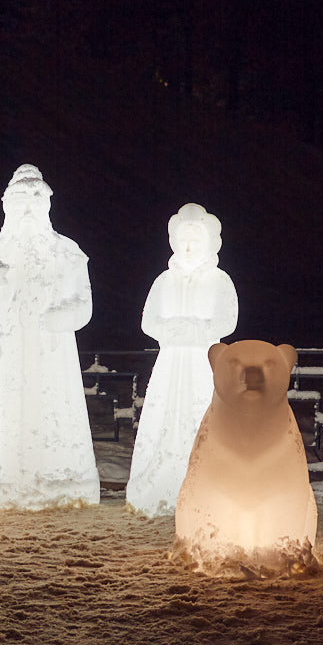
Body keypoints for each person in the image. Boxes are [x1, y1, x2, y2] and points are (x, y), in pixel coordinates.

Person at [0, 164, 99, 510]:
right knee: (4, 412)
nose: (26, 209)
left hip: (51, 352)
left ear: (46, 206)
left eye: (34, 201)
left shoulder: (67, 254)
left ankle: (58, 485)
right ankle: (0, 483)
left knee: (51, 410)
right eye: (19, 200)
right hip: (4, 351)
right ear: (6, 205)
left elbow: (83, 301)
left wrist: (62, 317)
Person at [125, 203, 238, 517]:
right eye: (184, 240)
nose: (189, 247)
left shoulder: (219, 280)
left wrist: (193, 331)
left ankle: (208, 486)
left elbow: (226, 321)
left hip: (204, 366)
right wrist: (174, 332)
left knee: (203, 416)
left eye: (196, 241)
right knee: (167, 418)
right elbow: (149, 321)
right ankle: (161, 485)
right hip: (171, 366)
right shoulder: (164, 281)